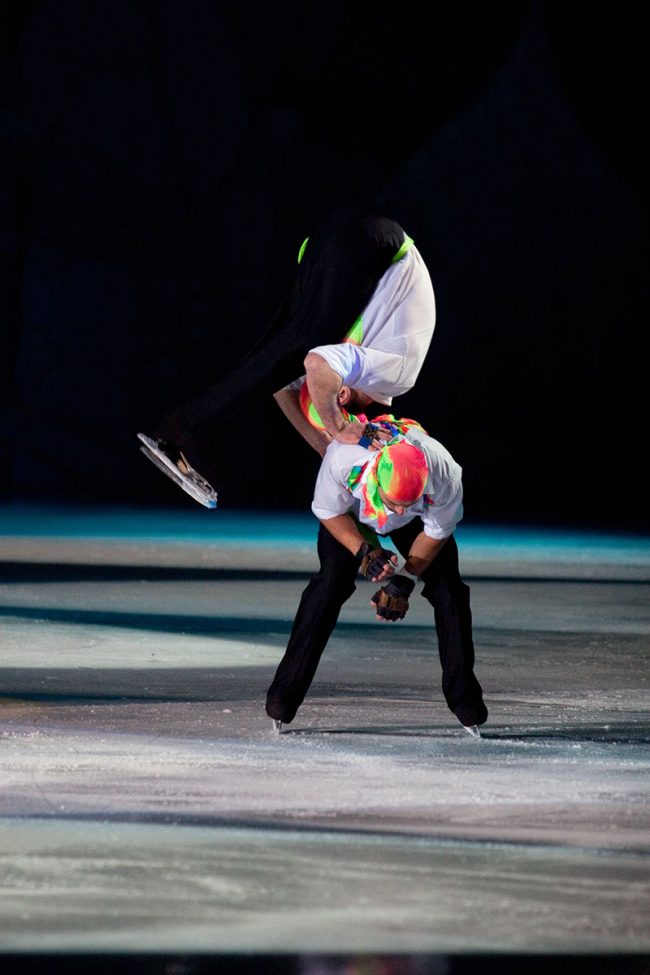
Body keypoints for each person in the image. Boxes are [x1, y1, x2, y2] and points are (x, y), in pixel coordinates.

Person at [137, 201, 436, 506]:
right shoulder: (393, 378)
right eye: (337, 401)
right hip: (374, 242)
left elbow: (280, 383)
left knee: (276, 354)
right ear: (346, 397)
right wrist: (339, 427)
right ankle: (186, 425)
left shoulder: (349, 362)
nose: (334, 395)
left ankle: (182, 425)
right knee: (300, 349)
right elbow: (316, 367)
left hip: (334, 239)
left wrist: (322, 443)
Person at [265, 413, 488, 739]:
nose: (398, 511)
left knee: (448, 589)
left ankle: (466, 703)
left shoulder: (444, 474)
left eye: (406, 504)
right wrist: (363, 552)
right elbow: (328, 511)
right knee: (330, 585)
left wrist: (403, 580)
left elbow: (437, 530)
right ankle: (282, 699)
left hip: (417, 524)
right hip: (351, 512)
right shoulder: (344, 459)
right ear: (376, 480)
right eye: (394, 503)